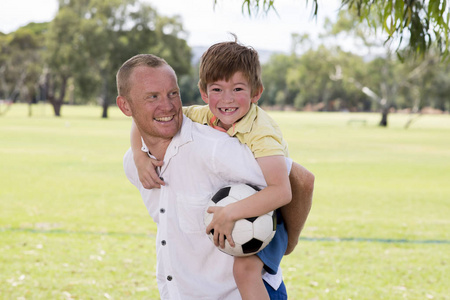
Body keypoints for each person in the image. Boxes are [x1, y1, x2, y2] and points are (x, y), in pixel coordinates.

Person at [117, 54, 314, 299]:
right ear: (125, 106)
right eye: (152, 97)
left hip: (240, 289)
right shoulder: (136, 162)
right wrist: (138, 155)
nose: (167, 106)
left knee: (246, 270)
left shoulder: (222, 145)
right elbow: (141, 124)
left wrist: (289, 242)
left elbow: (301, 180)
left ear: (256, 93)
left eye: (173, 94)